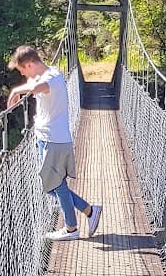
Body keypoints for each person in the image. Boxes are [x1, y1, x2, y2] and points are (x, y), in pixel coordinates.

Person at [6, 45, 102, 241]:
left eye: (22, 70)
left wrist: (16, 90)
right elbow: (34, 83)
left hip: (54, 141)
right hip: (47, 138)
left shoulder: (51, 79)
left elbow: (35, 87)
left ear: (30, 64)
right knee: (52, 186)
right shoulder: (49, 73)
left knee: (56, 185)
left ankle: (72, 228)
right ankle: (89, 211)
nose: (23, 74)